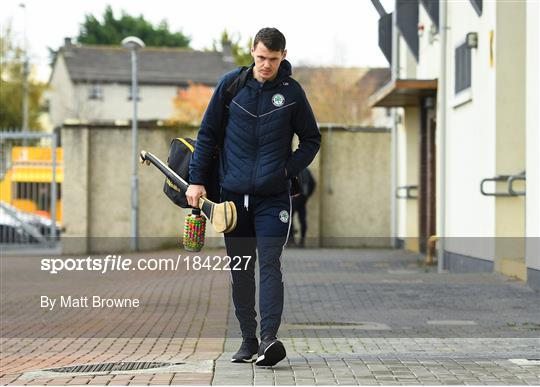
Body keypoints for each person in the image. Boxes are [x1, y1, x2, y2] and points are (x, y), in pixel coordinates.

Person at [186, 27, 320, 367]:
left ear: (283, 57)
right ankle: (247, 339)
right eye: (261, 58)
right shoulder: (231, 86)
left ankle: (269, 339)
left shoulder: (291, 93)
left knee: (270, 262)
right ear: (252, 52)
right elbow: (207, 134)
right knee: (241, 268)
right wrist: (197, 181)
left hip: (273, 198)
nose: (266, 65)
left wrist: (286, 170)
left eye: (273, 59)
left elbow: (311, 140)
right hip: (233, 199)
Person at [291, 168, 316, 248]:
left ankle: (292, 241)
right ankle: (302, 241)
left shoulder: (294, 168)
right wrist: (307, 195)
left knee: (289, 219)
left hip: (295, 198)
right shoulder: (306, 170)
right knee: (302, 220)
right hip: (303, 198)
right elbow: (313, 183)